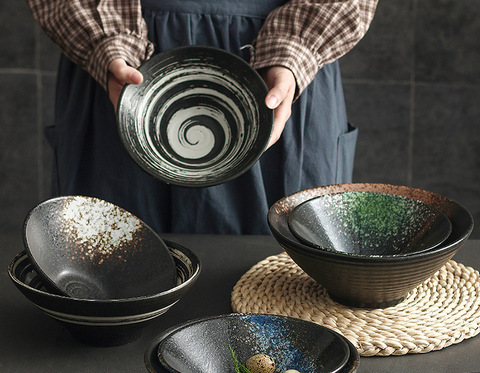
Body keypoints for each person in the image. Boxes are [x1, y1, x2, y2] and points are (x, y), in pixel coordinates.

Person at [26, 0, 378, 234]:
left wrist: (296, 50)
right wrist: (104, 40)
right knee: (108, 285)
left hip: (277, 81)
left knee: (283, 298)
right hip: (123, 78)